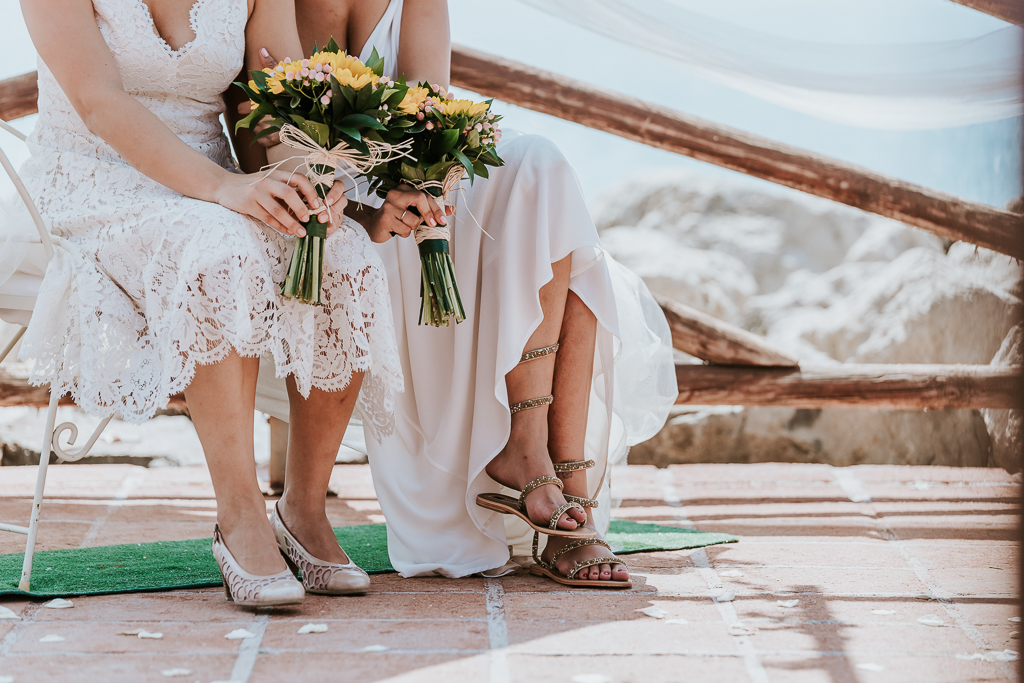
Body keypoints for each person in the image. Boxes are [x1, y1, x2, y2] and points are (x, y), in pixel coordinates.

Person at [245, 0, 676, 587]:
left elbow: (428, 127)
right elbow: (258, 149)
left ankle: (533, 453)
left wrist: (419, 198)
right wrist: (366, 217)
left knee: (541, 173)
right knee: (542, 237)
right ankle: (555, 497)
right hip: (305, 211)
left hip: (400, 192)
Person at [18, 0, 403, 607]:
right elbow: (97, 101)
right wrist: (224, 188)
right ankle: (239, 516)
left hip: (216, 184)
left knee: (342, 252)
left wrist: (310, 177)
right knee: (220, 250)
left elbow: (269, 100)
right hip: (95, 181)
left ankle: (303, 512)